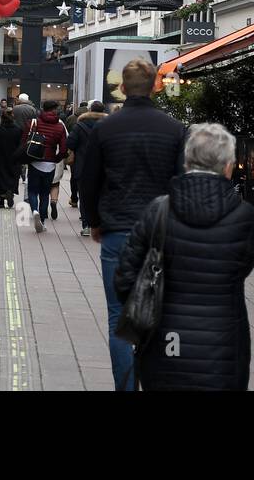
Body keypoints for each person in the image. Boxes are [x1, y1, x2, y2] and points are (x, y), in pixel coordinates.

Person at [115, 123, 254, 390]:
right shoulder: (244, 216)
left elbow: (125, 277)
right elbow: (243, 267)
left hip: (164, 341)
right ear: (228, 166)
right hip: (223, 344)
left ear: (187, 160)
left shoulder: (158, 210)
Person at [80, 58, 186, 391]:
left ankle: (125, 387)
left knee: (118, 317)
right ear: (156, 84)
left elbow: (88, 179)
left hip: (118, 231)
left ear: (122, 88)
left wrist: (94, 221)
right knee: (163, 314)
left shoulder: (105, 129)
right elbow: (181, 181)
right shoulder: (174, 129)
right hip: (162, 233)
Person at [23, 99, 67, 232]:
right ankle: (42, 220)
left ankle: (34, 211)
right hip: (50, 164)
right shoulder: (60, 127)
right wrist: (56, 158)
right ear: (55, 109)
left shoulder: (33, 122)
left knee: (32, 191)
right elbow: (64, 149)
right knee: (44, 193)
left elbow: (24, 140)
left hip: (34, 161)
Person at [67, 100, 107, 235]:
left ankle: (86, 225)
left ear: (89, 110)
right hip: (104, 167)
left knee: (84, 197)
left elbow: (70, 143)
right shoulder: (109, 125)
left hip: (83, 166)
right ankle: (100, 223)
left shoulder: (80, 125)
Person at [0, 111, 21, 208]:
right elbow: (21, 143)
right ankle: (10, 191)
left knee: (0, 177)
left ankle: (1, 200)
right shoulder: (18, 130)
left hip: (0, 156)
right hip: (14, 157)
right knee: (13, 175)